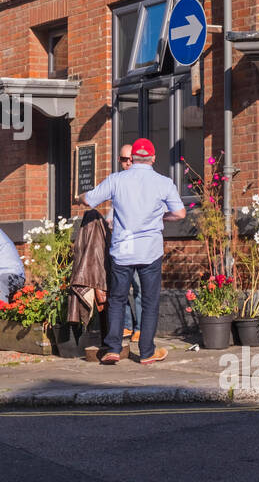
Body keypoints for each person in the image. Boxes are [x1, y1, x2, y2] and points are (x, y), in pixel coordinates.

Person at [78, 138, 185, 366]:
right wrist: (161, 216)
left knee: (117, 299)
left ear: (132, 158)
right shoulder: (163, 182)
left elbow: (89, 200)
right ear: (153, 158)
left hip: (122, 250)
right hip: (150, 250)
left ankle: (113, 349)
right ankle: (146, 352)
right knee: (149, 301)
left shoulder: (117, 180)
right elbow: (180, 213)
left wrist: (79, 197)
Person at [116, 143, 144, 346]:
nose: (127, 163)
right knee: (123, 287)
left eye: (130, 159)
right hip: (124, 241)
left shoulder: (144, 180)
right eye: (123, 160)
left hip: (141, 243)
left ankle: (141, 328)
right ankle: (127, 324)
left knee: (140, 287)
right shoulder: (118, 183)